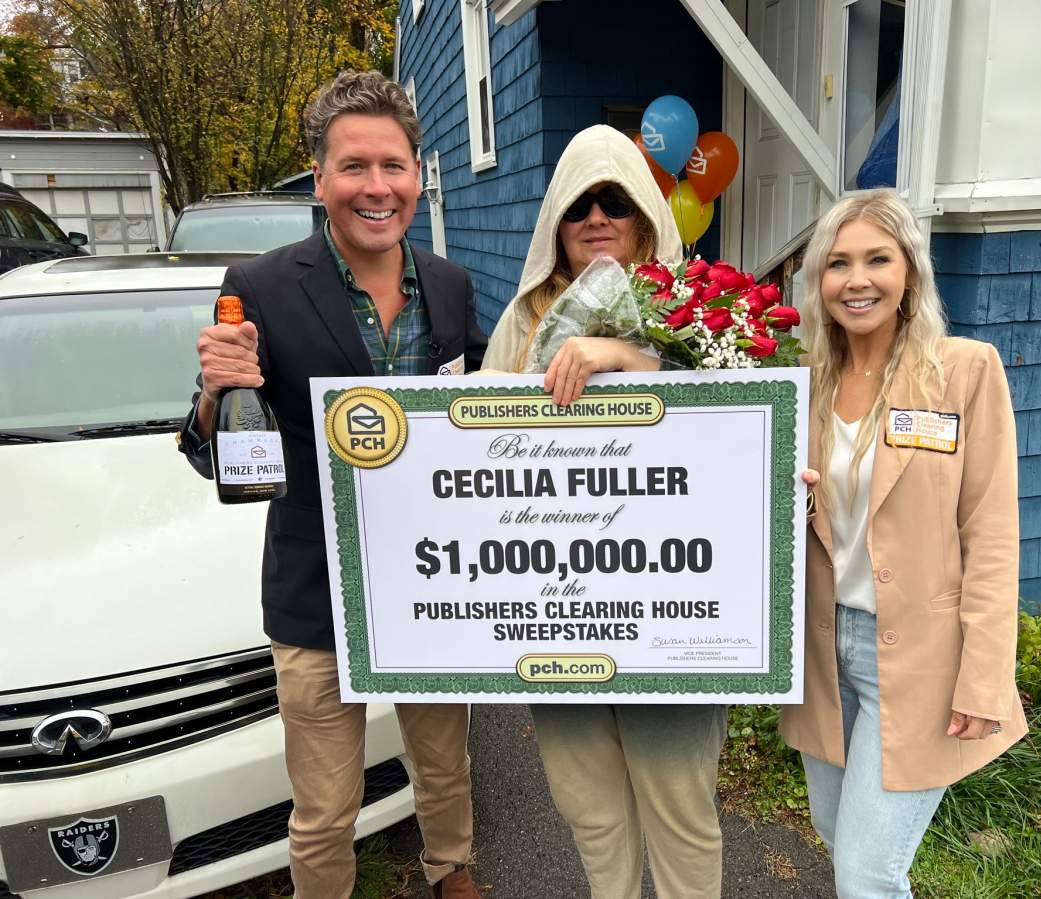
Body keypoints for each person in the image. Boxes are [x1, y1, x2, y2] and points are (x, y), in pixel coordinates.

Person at [177, 70, 487, 899]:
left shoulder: (450, 285)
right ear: (319, 179)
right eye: (354, 167)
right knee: (323, 807)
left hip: (434, 585)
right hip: (318, 590)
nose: (376, 187)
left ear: (419, 175)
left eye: (393, 165)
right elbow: (213, 451)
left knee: (444, 763)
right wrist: (214, 392)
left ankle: (451, 871)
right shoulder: (261, 285)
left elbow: (485, 419)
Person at [482, 124, 727, 899]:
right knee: (588, 807)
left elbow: (732, 419)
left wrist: (626, 355)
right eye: (578, 204)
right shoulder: (521, 323)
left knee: (680, 810)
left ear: (645, 214)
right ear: (556, 221)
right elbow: (473, 458)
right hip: (560, 614)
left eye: (614, 200)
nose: (596, 217)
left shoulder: (695, 310)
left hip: (670, 616)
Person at [779, 189, 1028, 898]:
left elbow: (991, 534)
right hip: (823, 652)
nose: (856, 280)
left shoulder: (963, 372)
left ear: (910, 273)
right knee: (838, 837)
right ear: (818, 281)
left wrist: (985, 674)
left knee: (867, 873)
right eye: (838, 263)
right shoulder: (802, 383)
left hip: (920, 659)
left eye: (877, 260)